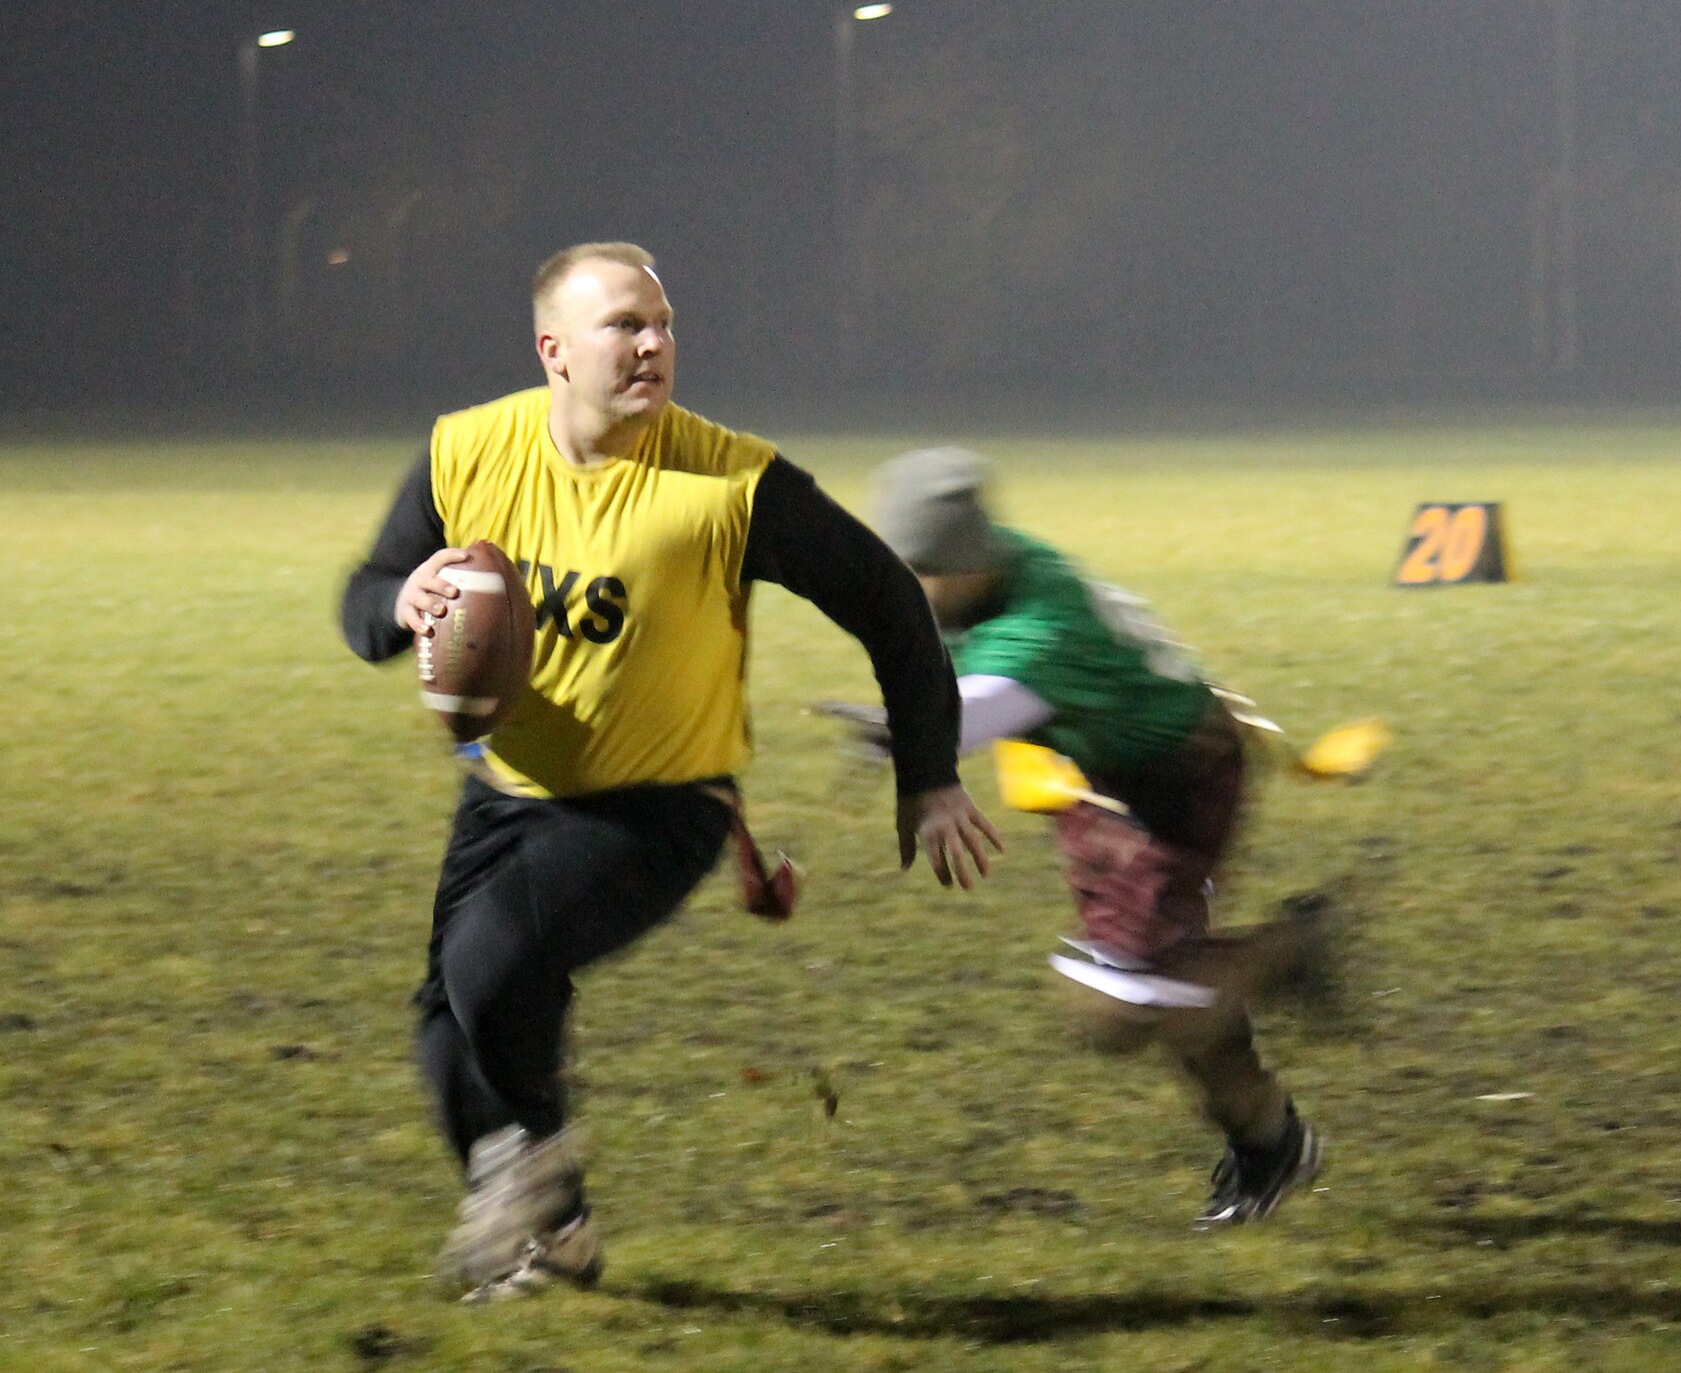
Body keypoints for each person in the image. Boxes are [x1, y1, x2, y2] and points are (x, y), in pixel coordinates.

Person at [340, 243, 1001, 1301]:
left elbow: (888, 600)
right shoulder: (465, 451)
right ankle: (554, 1227)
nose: (653, 344)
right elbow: (365, 597)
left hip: (661, 807)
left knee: (490, 970)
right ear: (553, 349)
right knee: (443, 1019)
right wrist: (399, 603)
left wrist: (927, 773)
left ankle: (527, 1173)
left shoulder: (730, 482)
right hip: (506, 794)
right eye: (624, 326)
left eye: (662, 323)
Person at [862, 447, 1324, 1228]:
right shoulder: (1000, 568)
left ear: (966, 563)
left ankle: (1290, 950)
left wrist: (891, 735)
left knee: (1114, 1003)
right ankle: (1270, 1141)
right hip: (1106, 783)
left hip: (1179, 781)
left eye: (919, 570)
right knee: (1172, 992)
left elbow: (966, 721)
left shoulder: (1037, 629)